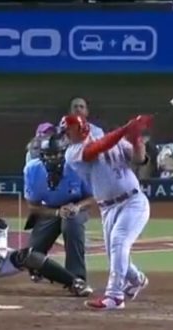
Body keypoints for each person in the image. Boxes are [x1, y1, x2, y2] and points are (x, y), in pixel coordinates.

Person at [63, 113, 154, 310]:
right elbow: (95, 149)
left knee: (119, 241)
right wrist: (126, 129)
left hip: (133, 201)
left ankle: (114, 296)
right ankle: (136, 280)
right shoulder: (73, 152)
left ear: (81, 129)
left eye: (68, 131)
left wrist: (136, 137)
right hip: (107, 208)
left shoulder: (115, 142)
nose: (65, 135)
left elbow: (139, 159)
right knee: (115, 255)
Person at [21, 135, 94, 294]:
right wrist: (56, 212)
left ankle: (76, 278)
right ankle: (42, 270)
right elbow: (32, 205)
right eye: (48, 154)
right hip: (49, 209)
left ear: (64, 152)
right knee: (31, 255)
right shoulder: (32, 170)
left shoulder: (78, 167)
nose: (52, 158)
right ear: (42, 155)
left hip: (75, 206)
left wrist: (77, 207)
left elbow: (92, 196)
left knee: (71, 224)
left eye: (56, 154)